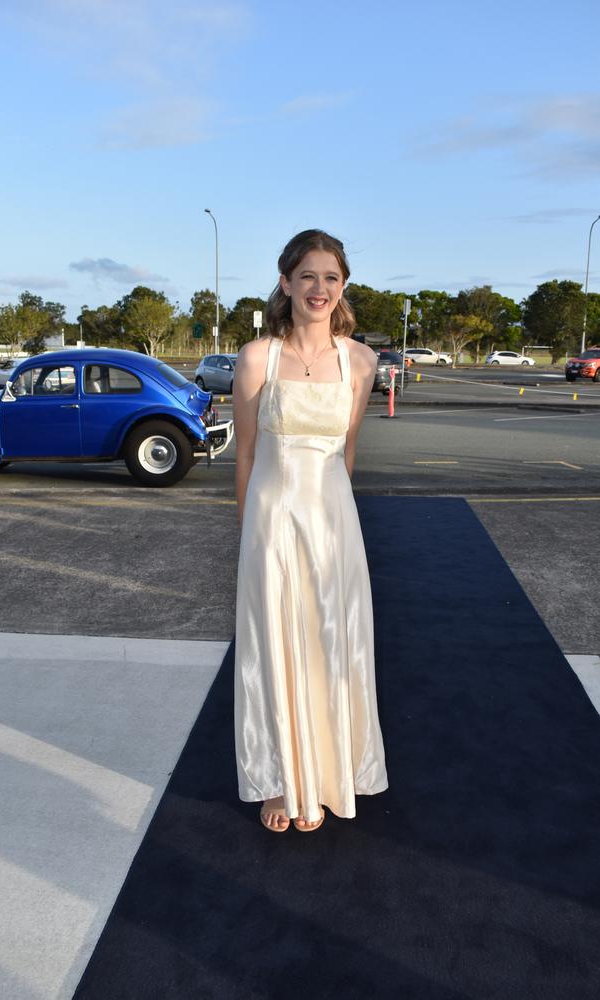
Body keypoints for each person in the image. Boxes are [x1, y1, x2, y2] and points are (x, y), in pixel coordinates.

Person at [233, 229, 389, 833]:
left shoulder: (361, 361)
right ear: (285, 282)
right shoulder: (256, 357)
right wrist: (248, 533)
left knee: (331, 644)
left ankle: (325, 776)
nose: (319, 288)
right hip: (271, 524)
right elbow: (245, 456)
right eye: (307, 276)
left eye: (330, 277)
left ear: (343, 285)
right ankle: (280, 780)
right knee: (274, 647)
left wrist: (336, 519)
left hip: (332, 525)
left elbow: (347, 452)